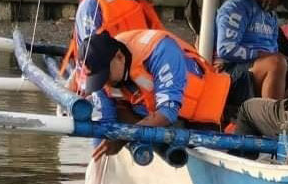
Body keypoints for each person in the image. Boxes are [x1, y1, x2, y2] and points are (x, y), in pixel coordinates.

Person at [80, 29, 231, 161]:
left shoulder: (162, 51)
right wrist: (99, 151)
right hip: (151, 114)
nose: (104, 83)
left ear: (119, 57)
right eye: (98, 79)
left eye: (105, 76)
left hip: (207, 117)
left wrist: (124, 136)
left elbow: (168, 113)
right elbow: (105, 123)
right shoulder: (103, 71)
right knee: (118, 114)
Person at [215, 0, 288, 103]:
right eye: (279, 1)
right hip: (232, 73)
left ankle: (284, 113)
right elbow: (225, 49)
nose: (278, 5)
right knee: (276, 63)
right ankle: (270, 118)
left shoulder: (270, 15)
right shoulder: (237, 7)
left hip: (258, 70)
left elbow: (273, 48)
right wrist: (265, 56)